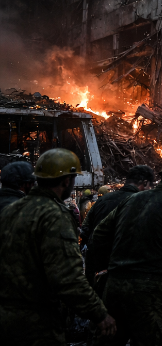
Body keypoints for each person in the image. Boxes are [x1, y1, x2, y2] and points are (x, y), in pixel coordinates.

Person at [0, 148, 117, 345]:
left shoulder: (12, 210)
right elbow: (68, 277)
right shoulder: (54, 215)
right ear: (66, 181)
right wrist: (99, 314)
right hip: (36, 324)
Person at [91, 155, 162, 345]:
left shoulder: (132, 200)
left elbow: (99, 234)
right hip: (149, 293)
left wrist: (111, 265)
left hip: (114, 287)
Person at [82, 165, 155, 285]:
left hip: (96, 270)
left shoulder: (102, 200)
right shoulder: (141, 203)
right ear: (145, 183)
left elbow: (86, 229)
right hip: (123, 275)